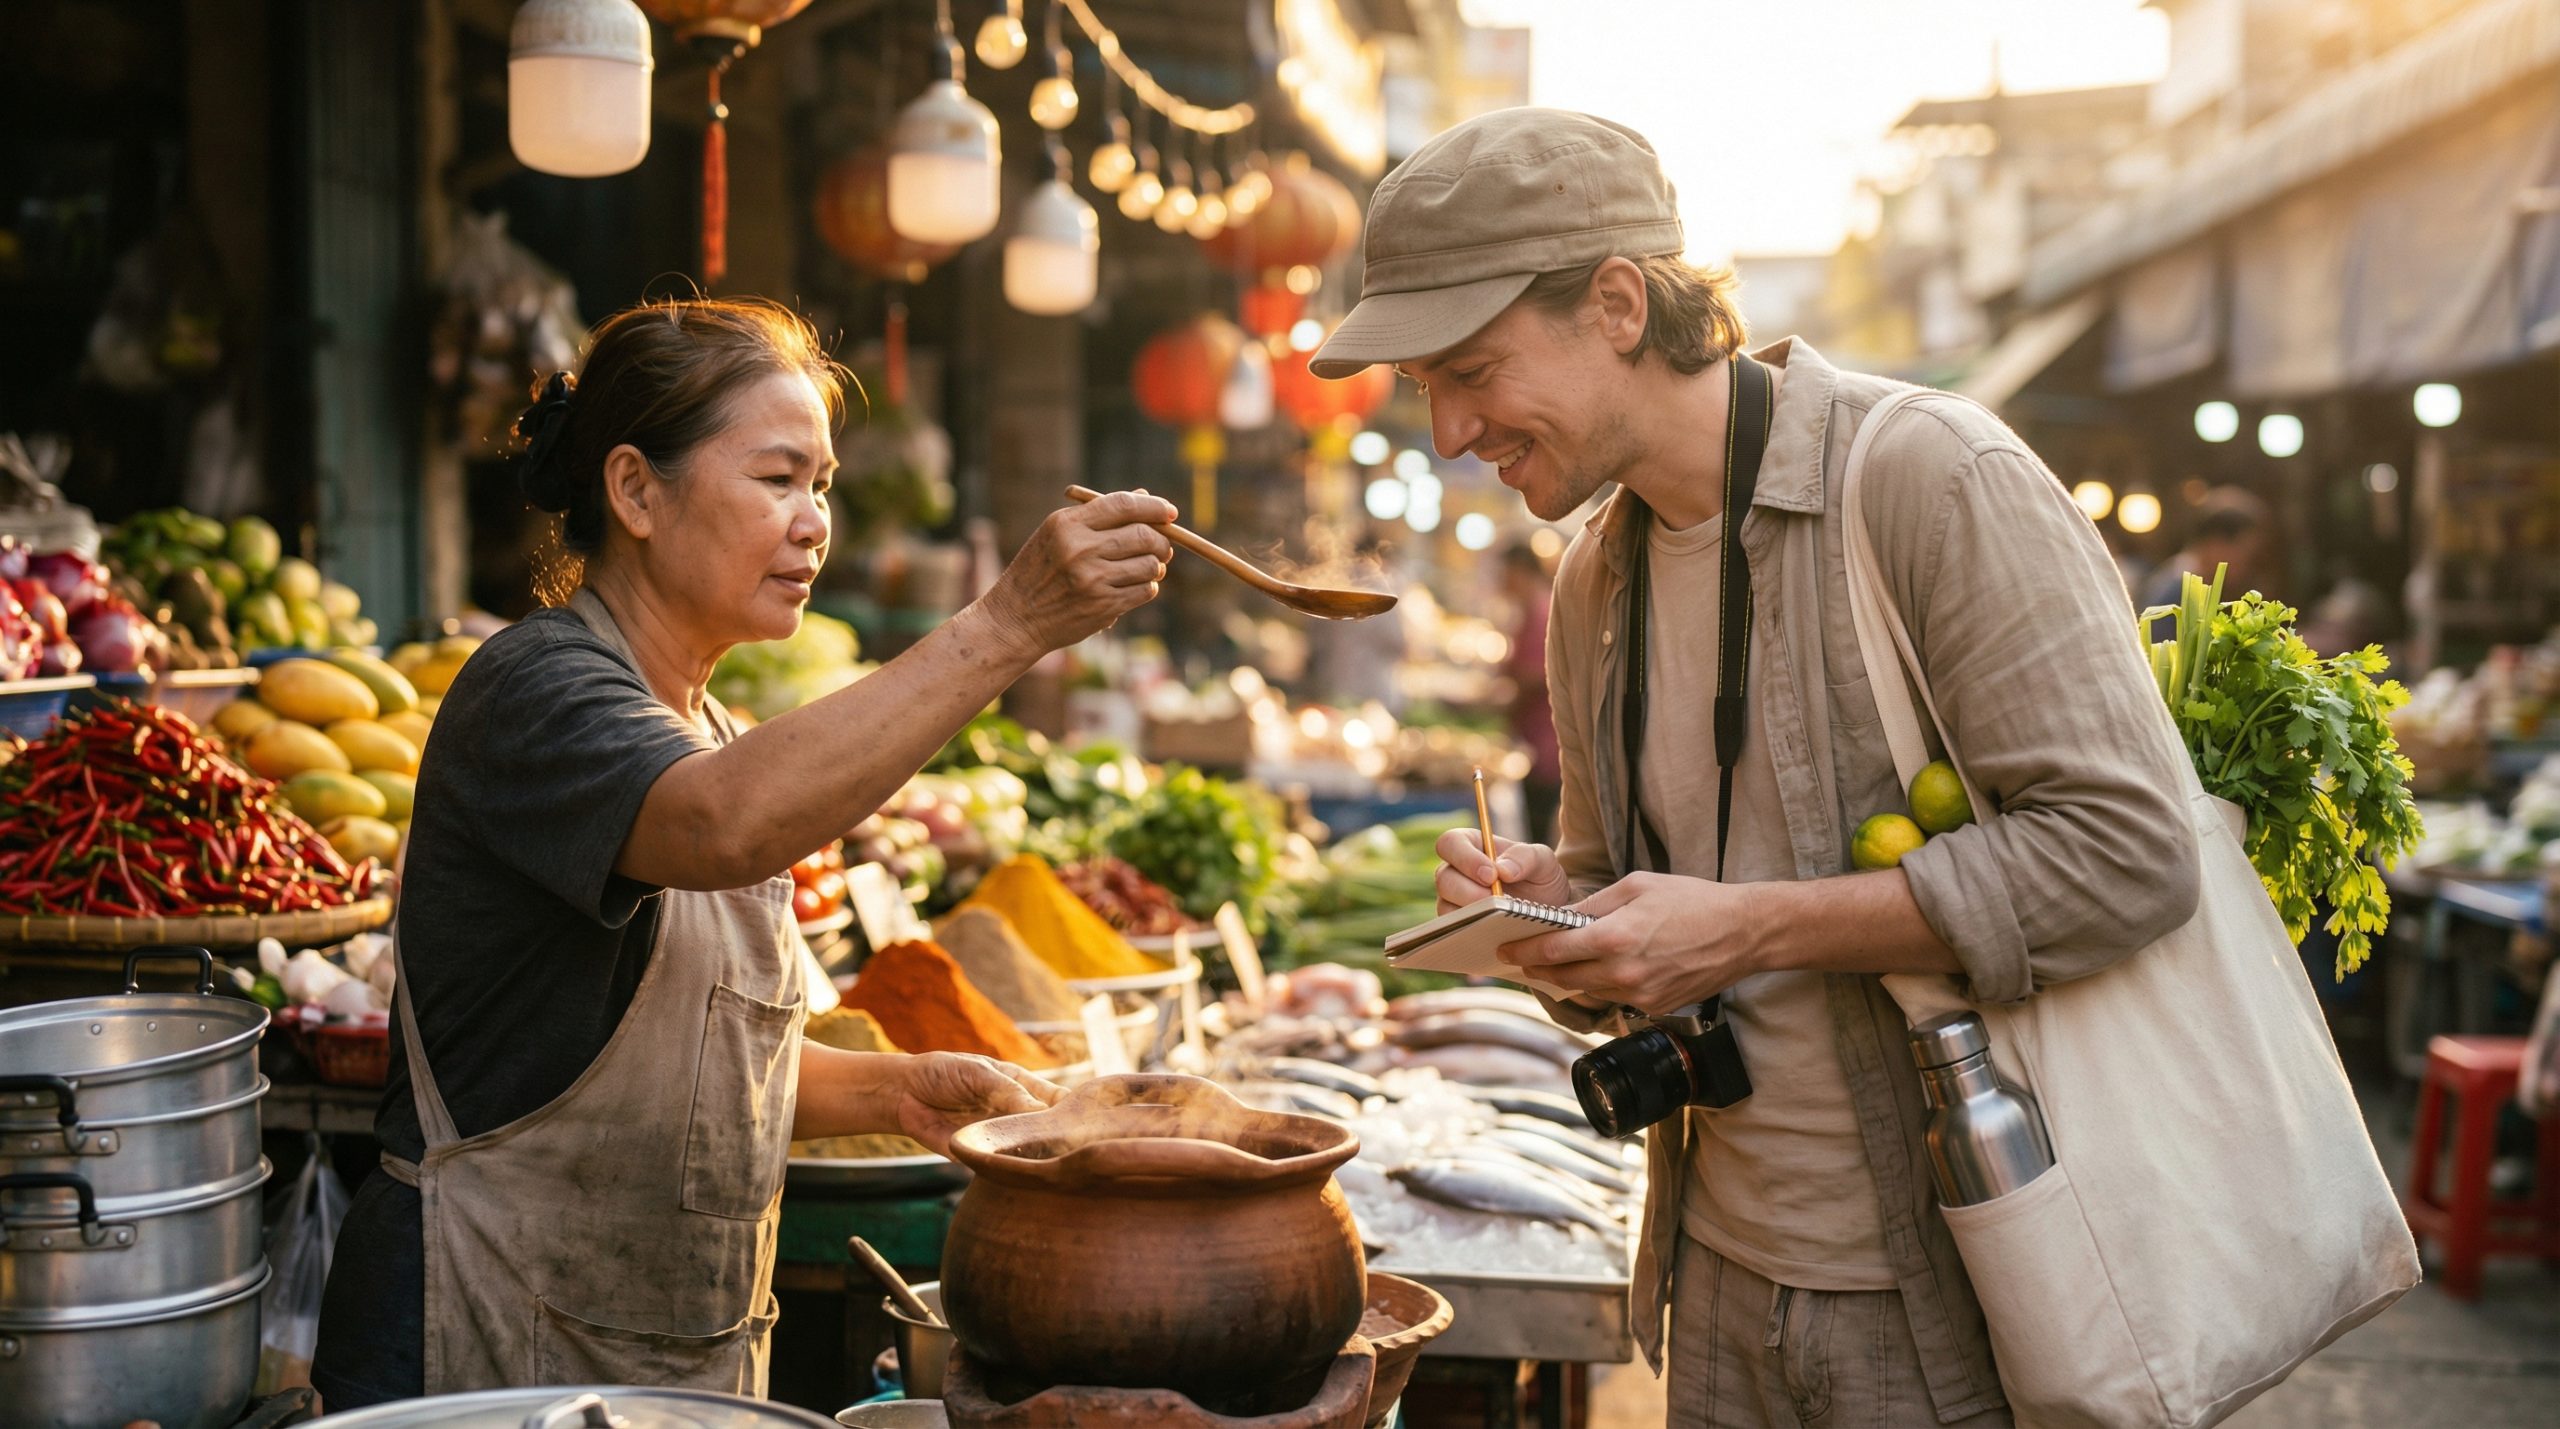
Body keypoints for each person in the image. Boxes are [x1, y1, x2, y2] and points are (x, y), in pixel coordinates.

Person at [1311, 111, 2200, 1426]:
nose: (1449, 431)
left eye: (1473, 369)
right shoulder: (1592, 582)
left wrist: (1750, 929)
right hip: (1716, 1278)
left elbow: (2129, 856)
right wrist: (1557, 915)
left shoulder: (1932, 480)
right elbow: (1632, 915)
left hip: (1967, 1277)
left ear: (1618, 304)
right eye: (1423, 389)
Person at [312, 297, 1177, 1407]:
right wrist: (1006, 625)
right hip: (483, 1345)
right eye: (776, 480)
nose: (816, 521)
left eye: (821, 485)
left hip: (658, 1352)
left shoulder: (708, 730)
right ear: (633, 490)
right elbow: (722, 825)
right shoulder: (537, 689)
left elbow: (699, 1076)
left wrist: (900, 1088)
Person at [1500, 541, 1562, 843]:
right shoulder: (1531, 608)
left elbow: (1538, 675)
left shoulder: (1542, 610)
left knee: (1538, 828)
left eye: (1506, 572)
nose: (1502, 581)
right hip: (1532, 736)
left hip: (1546, 740)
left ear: (1521, 571)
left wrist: (1499, 703)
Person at [2137, 485, 2270, 612]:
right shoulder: (2172, 593)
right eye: (2245, 554)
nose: (2246, 567)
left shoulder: (2196, 586)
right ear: (2216, 544)